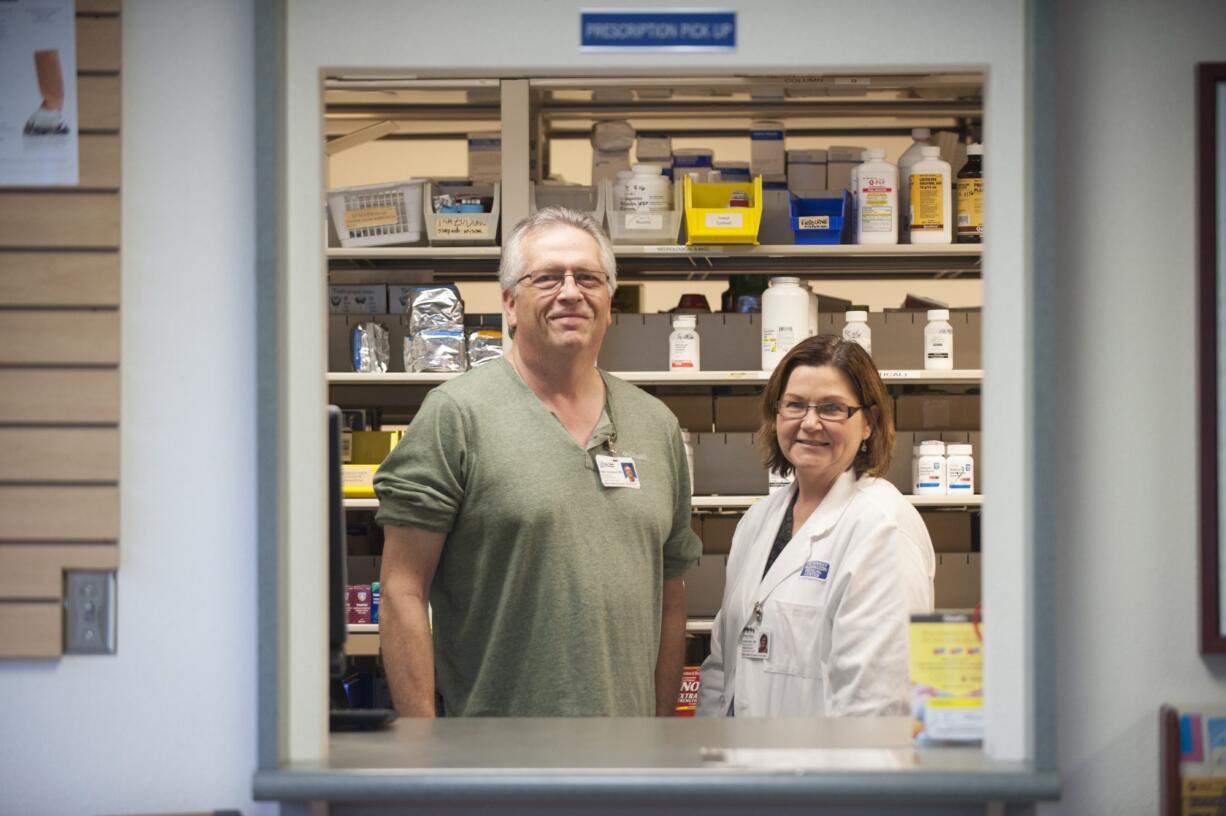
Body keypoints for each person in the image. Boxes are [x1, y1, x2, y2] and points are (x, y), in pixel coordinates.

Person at [374, 207, 700, 718]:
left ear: (610, 303)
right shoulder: (456, 415)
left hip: (627, 766)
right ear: (509, 303)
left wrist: (656, 736)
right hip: (497, 762)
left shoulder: (654, 423)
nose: (571, 292)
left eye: (588, 278)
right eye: (547, 277)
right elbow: (401, 588)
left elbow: (671, 590)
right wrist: (424, 746)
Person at [696, 335, 935, 718]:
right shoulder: (757, 522)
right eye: (794, 405)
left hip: (822, 770)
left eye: (832, 408)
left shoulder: (882, 526)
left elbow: (878, 700)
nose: (809, 423)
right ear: (776, 416)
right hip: (739, 767)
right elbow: (721, 666)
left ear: (869, 424)